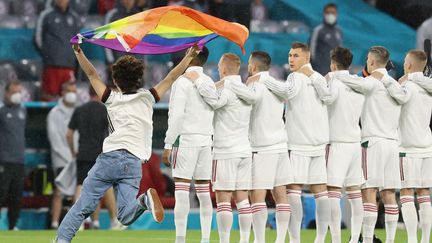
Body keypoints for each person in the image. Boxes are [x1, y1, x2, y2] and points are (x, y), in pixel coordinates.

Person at [55, 44, 199, 243]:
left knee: (83, 206)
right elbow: (171, 77)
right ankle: (144, 200)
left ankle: (61, 240)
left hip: (109, 159)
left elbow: (91, 74)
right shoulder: (148, 97)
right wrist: (188, 58)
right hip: (133, 163)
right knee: (124, 215)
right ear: (139, 78)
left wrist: (79, 52)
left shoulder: (111, 98)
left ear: (115, 81)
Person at [334, 46, 409, 243]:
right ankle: (391, 240)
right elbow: (402, 97)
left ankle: (366, 239)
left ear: (372, 62)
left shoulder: (370, 83)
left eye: (368, 59)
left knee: (368, 191)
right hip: (393, 144)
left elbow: (350, 80)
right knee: (389, 194)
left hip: (373, 143)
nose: (366, 62)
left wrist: (335, 73)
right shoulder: (394, 84)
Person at [262, 42, 332, 243]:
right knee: (321, 192)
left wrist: (265, 79)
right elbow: (328, 97)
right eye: (290, 55)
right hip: (318, 144)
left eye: (295, 56)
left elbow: (287, 92)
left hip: (299, 143)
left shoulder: (296, 77)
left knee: (293, 190)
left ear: (306, 58)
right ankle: (320, 238)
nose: (291, 59)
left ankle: (295, 239)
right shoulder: (318, 77)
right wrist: (314, 77)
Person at [184, 53, 253, 243]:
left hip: (225, 152)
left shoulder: (228, 90)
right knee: (243, 200)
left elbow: (214, 101)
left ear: (222, 69)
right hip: (245, 151)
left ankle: (224, 240)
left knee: (223, 201)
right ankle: (245, 240)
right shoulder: (245, 89)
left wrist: (198, 81)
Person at [161, 47, 214, 243]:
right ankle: (206, 239)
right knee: (204, 192)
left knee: (182, 190)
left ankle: (180, 239)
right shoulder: (208, 81)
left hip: (188, 141)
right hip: (207, 141)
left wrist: (168, 143)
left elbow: (176, 115)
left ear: (189, 56)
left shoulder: (182, 81)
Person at [241, 51, 293, 243]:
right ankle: (280, 240)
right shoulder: (277, 85)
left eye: (248, 64)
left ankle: (260, 240)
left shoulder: (254, 84)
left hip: (262, 146)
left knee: (257, 195)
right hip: (280, 145)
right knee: (281, 195)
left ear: (253, 67)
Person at [66, 86, 125, 230]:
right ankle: (114, 222)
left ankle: (77, 223)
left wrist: (73, 150)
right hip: (101, 154)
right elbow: (114, 133)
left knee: (80, 186)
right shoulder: (106, 110)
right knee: (107, 187)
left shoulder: (79, 110)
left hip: (83, 154)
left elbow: (69, 134)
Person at [325, 47, 365, 243]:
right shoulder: (358, 83)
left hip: (338, 144)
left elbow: (327, 99)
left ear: (333, 63)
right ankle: (355, 238)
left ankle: (336, 240)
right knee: (355, 194)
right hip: (355, 143)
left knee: (333, 194)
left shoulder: (333, 82)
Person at [397, 49, 432, 243]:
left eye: (404, 61)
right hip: (426, 146)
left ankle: (412, 240)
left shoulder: (407, 87)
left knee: (407, 193)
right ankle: (426, 240)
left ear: (409, 65)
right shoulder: (428, 87)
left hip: (407, 148)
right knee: (424, 193)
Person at [35, 0, 81, 100]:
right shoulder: (46, 15)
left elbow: (77, 41)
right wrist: (48, 55)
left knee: (69, 97)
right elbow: (37, 39)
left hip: (69, 66)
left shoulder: (75, 17)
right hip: (52, 66)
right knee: (49, 97)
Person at [47, 81, 78, 230]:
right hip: (61, 159)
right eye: (69, 90)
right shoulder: (54, 113)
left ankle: (74, 225)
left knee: (78, 194)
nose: (72, 94)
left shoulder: (79, 111)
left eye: (74, 90)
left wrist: (76, 157)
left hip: (77, 159)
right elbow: (55, 140)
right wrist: (69, 158)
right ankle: (54, 223)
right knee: (59, 192)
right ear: (63, 92)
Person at [0, 81, 26, 230]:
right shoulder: (1, 111)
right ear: (7, 93)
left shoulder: (23, 110)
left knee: (16, 197)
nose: (17, 95)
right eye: (14, 92)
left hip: (19, 161)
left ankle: (13, 225)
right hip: (4, 160)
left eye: (19, 92)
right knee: (1, 194)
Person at [310, 3, 343, 75]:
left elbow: (340, 51)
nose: (330, 15)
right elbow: (311, 51)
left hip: (334, 72)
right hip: (318, 71)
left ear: (336, 14)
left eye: (333, 13)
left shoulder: (339, 31)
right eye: (328, 12)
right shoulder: (318, 30)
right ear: (324, 14)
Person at [105, 0, 140, 65]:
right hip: (117, 61)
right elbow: (106, 38)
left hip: (136, 62)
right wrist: (110, 60)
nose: (128, 1)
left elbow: (142, 40)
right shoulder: (112, 15)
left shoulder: (139, 15)